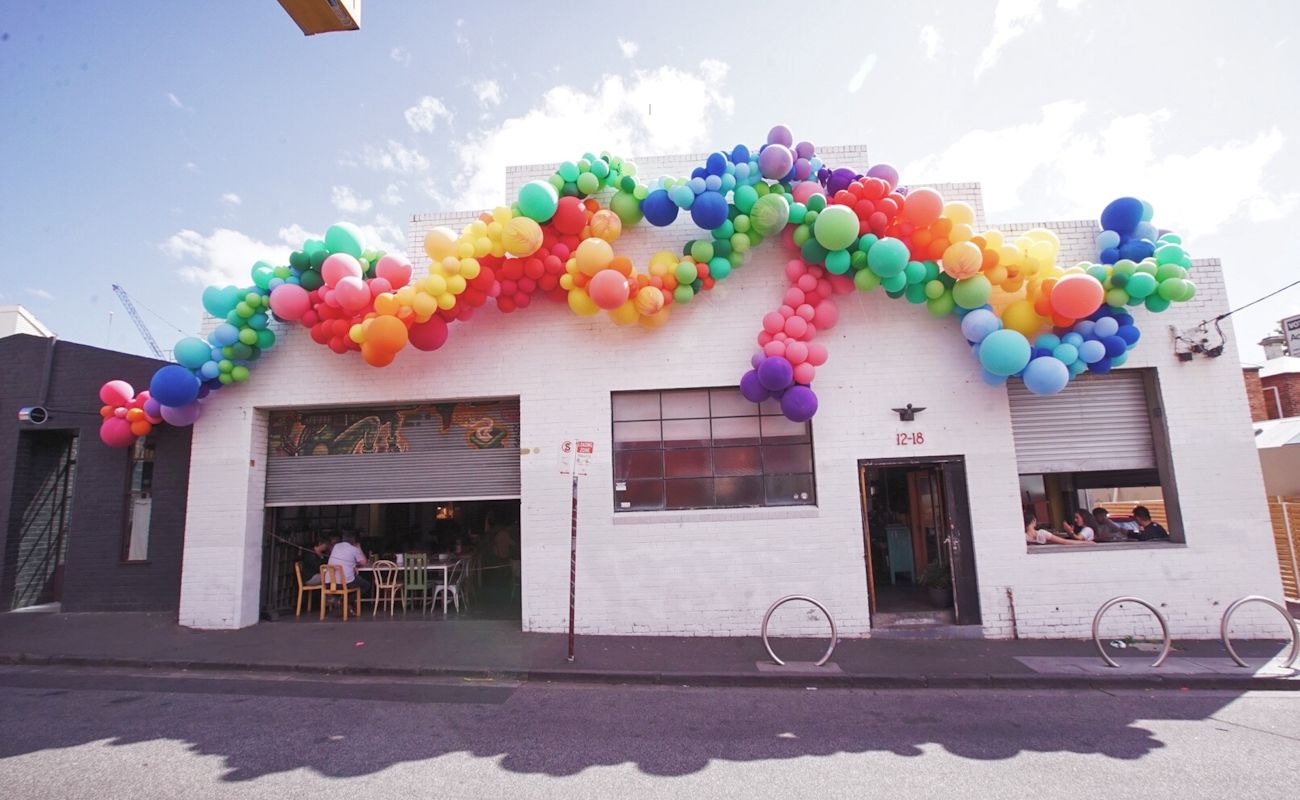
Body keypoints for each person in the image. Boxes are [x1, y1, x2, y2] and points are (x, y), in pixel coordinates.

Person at [1025, 509, 1096, 546]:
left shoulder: (1022, 537)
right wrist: (1070, 531)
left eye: (1077, 518)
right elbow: (1065, 541)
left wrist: (1069, 532)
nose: (1075, 520)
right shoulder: (1042, 533)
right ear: (1034, 520)